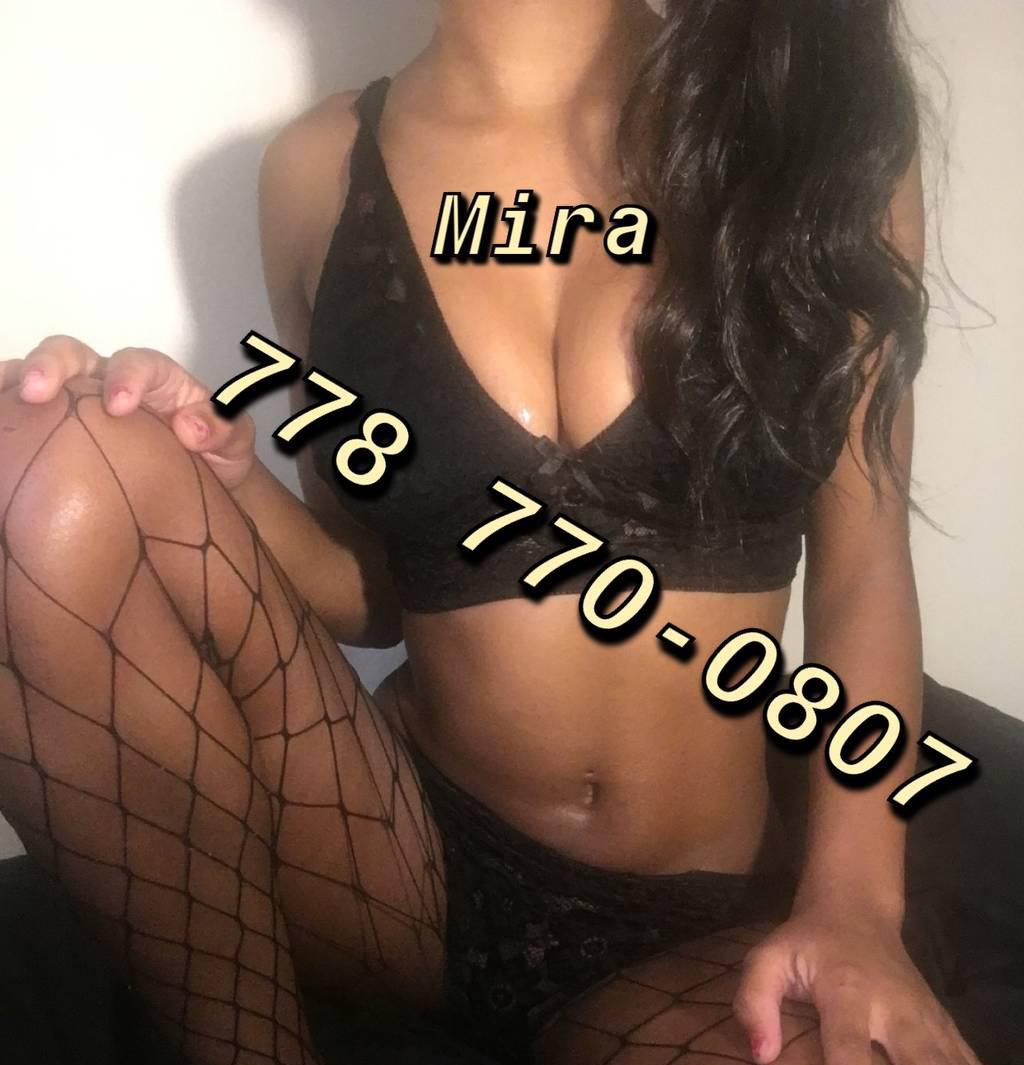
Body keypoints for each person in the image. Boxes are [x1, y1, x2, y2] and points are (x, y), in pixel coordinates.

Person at [0, 1, 984, 1063]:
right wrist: (219, 475)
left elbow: (862, 565)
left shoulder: (800, 118)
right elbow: (377, 594)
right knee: (38, 452)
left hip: (695, 916)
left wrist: (854, 905)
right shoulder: (317, 171)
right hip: (396, 858)